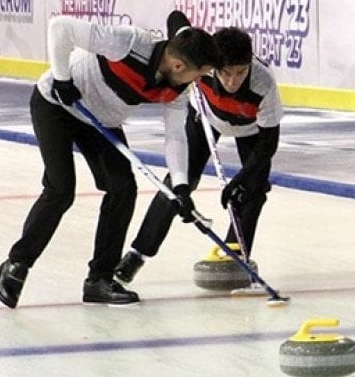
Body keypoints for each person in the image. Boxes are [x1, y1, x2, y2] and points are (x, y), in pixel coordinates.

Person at [0, 16, 222, 308]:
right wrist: (62, 79)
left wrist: (180, 187)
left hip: (100, 122)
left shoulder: (177, 90)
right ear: (178, 65)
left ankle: (99, 280)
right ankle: (17, 263)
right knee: (60, 189)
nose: (199, 81)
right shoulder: (129, 42)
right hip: (57, 104)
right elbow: (60, 27)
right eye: (199, 74)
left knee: (122, 189)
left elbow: (175, 137)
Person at [114, 23, 282, 286]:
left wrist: (240, 181)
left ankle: (234, 253)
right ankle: (137, 254)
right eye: (225, 73)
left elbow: (268, 144)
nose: (232, 82)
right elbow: (175, 21)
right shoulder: (202, 65)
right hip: (205, 118)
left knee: (253, 188)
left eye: (240, 73)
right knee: (179, 182)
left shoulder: (264, 83)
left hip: (250, 129)